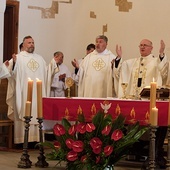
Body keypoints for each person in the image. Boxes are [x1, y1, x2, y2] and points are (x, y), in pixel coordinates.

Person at [117, 39, 169, 169]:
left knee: (155, 126)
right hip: (136, 100)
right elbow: (120, 69)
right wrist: (118, 58)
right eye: (140, 45)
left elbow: (164, 70)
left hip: (149, 101)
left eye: (145, 45)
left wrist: (162, 54)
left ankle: (154, 154)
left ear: (151, 48)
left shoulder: (156, 61)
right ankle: (132, 149)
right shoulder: (133, 62)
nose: (142, 47)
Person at [11, 36, 47, 144]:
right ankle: (23, 140)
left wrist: (54, 64)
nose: (31, 44)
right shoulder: (19, 57)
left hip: (38, 92)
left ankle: (36, 139)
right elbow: (11, 73)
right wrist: (13, 63)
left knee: (37, 112)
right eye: (29, 43)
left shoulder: (40, 58)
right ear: (24, 45)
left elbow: (47, 73)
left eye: (33, 42)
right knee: (26, 110)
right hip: (24, 91)